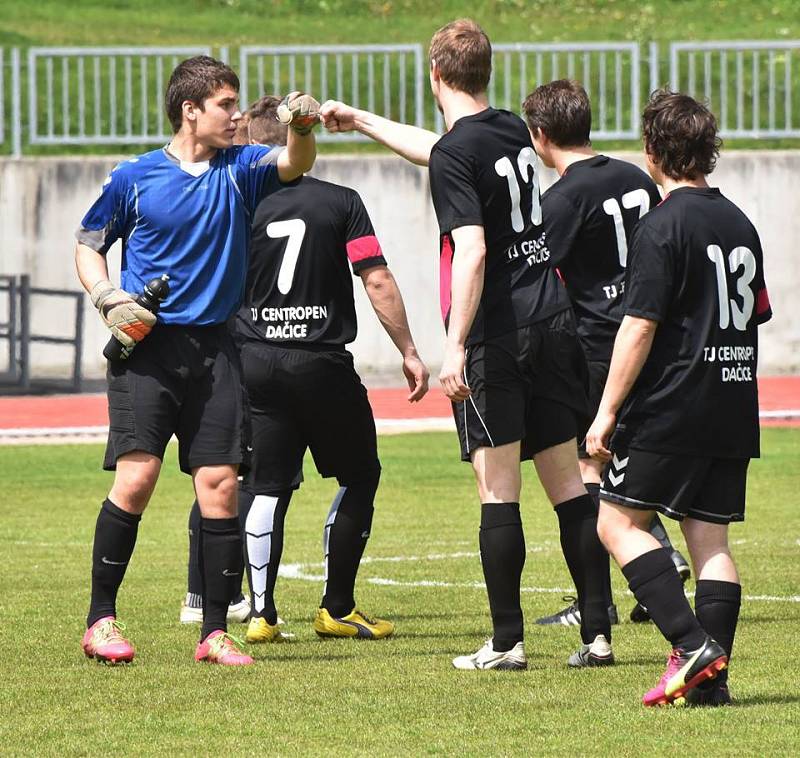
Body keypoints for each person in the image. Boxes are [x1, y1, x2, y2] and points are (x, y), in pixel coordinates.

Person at [321, 19, 612, 670]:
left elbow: (473, 247)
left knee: (498, 492)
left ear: (434, 75)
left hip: (498, 337)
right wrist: (362, 120)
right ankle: (598, 633)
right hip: (553, 321)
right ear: (485, 70)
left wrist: (454, 348)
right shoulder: (510, 127)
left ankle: (506, 642)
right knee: (567, 486)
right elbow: (445, 148)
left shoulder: (459, 151)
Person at [75, 55, 319, 666]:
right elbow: (88, 245)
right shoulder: (134, 177)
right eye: (225, 105)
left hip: (218, 351)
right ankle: (100, 621)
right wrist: (108, 297)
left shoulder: (242, 169)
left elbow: (295, 161)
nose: (236, 117)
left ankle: (214, 633)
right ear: (191, 110)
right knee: (137, 481)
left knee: (221, 486)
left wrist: (303, 125)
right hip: (149, 354)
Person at [182, 95, 429, 643]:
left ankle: (262, 614)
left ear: (254, 143)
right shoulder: (340, 201)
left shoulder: (235, 203)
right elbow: (377, 278)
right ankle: (337, 608)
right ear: (299, 140)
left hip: (255, 361)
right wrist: (409, 349)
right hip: (321, 363)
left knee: (265, 485)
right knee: (359, 475)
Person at [586, 90, 772, 706]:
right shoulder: (739, 221)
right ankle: (711, 690)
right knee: (711, 542)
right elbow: (757, 313)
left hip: (673, 403)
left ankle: (692, 646)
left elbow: (639, 325)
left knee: (616, 523)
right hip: (732, 398)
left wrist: (607, 411)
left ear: (653, 153)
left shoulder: (661, 225)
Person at [521, 79, 691, 636]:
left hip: (596, 343)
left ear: (540, 135)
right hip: (647, 331)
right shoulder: (633, 174)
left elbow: (544, 272)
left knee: (589, 464)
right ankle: (655, 559)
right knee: (621, 453)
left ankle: (601, 598)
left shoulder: (563, 197)